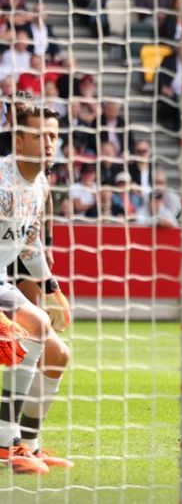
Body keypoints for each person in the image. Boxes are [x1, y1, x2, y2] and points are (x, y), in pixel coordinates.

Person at [0, 102, 72, 474]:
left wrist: (52, 288)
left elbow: (29, 243)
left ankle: (29, 445)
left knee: (58, 354)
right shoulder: (2, 182)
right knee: (37, 325)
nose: (49, 143)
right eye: (40, 135)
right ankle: (4, 443)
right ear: (17, 138)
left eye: (53, 135)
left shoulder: (41, 182)